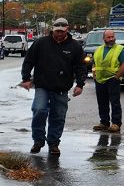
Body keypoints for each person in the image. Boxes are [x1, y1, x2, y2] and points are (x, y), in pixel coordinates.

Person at [19, 18, 87, 157]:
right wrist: (26, 78)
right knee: (39, 109)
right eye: (57, 31)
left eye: (62, 31)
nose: (59, 34)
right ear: (53, 29)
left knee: (58, 116)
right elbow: (29, 60)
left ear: (67, 29)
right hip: (42, 85)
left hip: (61, 87)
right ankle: (38, 140)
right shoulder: (41, 43)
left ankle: (53, 143)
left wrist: (80, 84)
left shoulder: (74, 46)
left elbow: (80, 66)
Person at [91, 30, 124, 133]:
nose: (111, 39)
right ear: (104, 39)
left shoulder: (120, 49)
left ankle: (116, 123)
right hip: (99, 80)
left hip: (112, 79)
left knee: (114, 102)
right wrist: (94, 75)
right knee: (102, 102)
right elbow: (94, 64)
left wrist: (116, 77)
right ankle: (104, 122)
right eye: (109, 37)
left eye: (112, 37)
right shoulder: (98, 50)